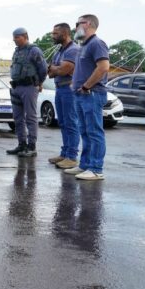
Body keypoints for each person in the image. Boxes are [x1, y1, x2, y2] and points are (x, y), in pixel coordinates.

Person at [63, 15, 110, 181]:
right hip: (81, 94)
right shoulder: (83, 45)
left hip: (92, 94)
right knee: (85, 131)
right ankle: (85, 165)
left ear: (88, 24)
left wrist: (86, 86)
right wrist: (74, 84)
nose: (75, 27)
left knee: (94, 132)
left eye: (78, 24)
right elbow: (81, 68)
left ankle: (96, 169)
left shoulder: (97, 43)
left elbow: (103, 67)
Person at [6, 27, 47, 157]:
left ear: (25, 36)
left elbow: (43, 69)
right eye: (14, 37)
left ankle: (31, 146)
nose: (14, 40)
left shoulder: (34, 50)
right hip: (16, 87)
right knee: (18, 118)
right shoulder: (17, 51)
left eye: (17, 37)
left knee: (30, 117)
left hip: (29, 87)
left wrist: (39, 83)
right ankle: (21, 144)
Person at [47, 23, 81, 170]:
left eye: (55, 33)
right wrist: (57, 68)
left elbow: (63, 70)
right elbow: (50, 72)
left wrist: (57, 68)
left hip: (69, 89)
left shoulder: (73, 50)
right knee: (62, 122)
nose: (52, 36)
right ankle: (65, 154)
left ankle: (72, 157)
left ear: (65, 34)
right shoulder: (59, 51)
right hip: (60, 89)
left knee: (71, 122)